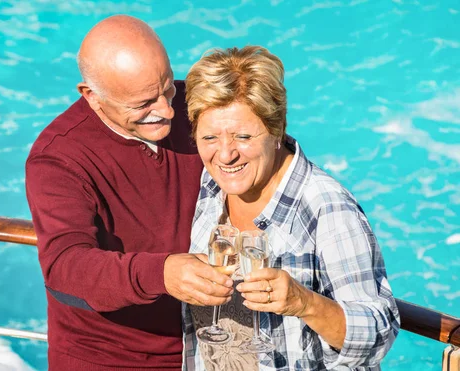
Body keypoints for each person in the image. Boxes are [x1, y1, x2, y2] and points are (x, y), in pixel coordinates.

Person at [25, 15, 234, 370]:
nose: (168, 111)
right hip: (106, 357)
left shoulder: (191, 104)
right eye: (143, 104)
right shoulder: (57, 158)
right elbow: (65, 265)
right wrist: (162, 273)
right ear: (91, 97)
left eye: (168, 89)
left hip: (208, 344)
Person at [182, 46, 400, 370]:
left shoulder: (328, 209)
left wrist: (304, 302)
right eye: (210, 137)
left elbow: (379, 333)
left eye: (243, 136)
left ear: (277, 128)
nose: (226, 154)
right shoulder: (212, 182)